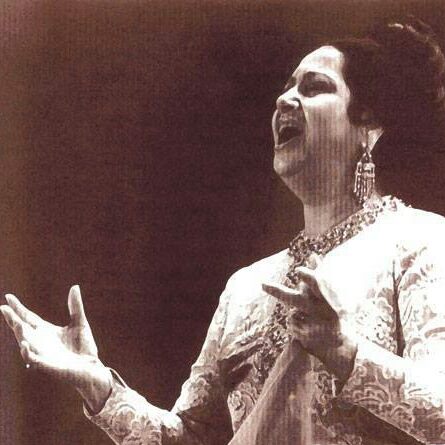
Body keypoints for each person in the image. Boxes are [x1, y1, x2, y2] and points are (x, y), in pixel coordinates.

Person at [2, 16, 445, 445]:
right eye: (286, 88)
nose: (285, 101)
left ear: (369, 125)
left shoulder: (420, 244)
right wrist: (97, 384)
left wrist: (344, 350)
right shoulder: (246, 288)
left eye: (314, 88)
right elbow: (191, 438)